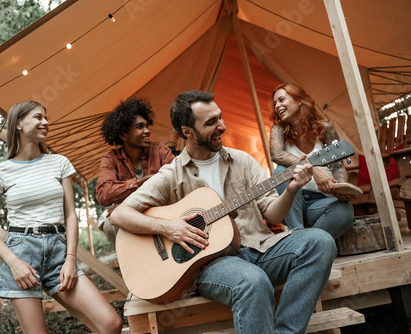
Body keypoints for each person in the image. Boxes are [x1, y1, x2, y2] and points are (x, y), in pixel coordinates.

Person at [110, 90, 337, 333]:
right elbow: (119, 214)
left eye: (220, 117)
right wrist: (169, 227)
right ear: (188, 131)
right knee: (253, 281)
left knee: (321, 242)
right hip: (213, 264)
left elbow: (273, 215)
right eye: (211, 122)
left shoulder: (244, 161)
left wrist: (291, 190)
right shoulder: (172, 174)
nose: (222, 126)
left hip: (261, 249)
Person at [0, 101, 123, 334]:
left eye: (46, 118)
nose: (45, 122)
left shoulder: (59, 163)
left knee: (111, 323)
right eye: (38, 117)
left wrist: (70, 259)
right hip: (21, 253)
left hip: (59, 252)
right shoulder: (0, 171)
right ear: (18, 123)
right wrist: (15, 264)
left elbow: (70, 215)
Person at [270, 83, 355, 239]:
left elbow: (338, 167)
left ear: (299, 100)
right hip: (290, 202)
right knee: (281, 171)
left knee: (345, 211)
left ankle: (303, 241)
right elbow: (276, 155)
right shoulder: (278, 130)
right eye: (275, 103)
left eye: (281, 100)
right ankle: (299, 232)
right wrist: (313, 168)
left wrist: (339, 186)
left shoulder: (325, 128)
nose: (277, 106)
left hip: (320, 201)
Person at [96, 97, 174, 245]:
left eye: (147, 126)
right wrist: (141, 181)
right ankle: (133, 263)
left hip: (160, 208)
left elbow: (175, 179)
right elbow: (103, 194)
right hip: (130, 213)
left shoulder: (160, 150)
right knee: (109, 222)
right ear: (123, 134)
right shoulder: (111, 159)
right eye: (140, 127)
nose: (147, 131)